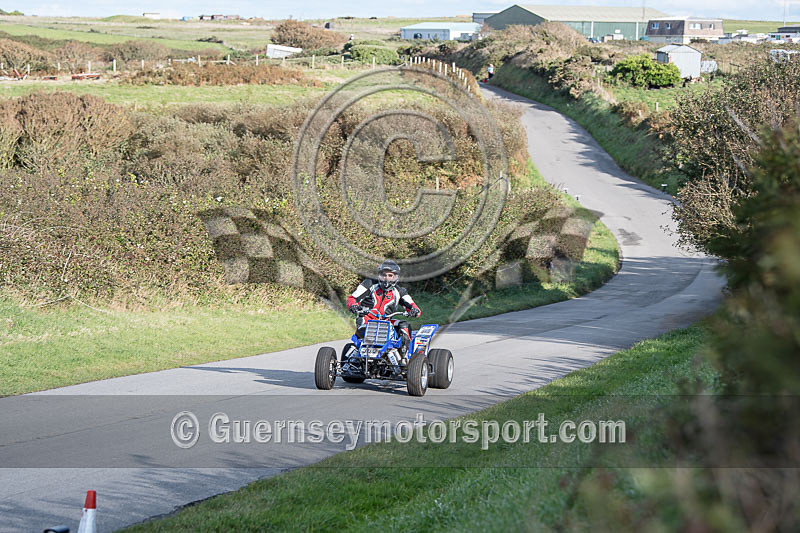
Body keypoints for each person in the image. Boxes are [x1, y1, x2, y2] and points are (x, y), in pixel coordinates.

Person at [346, 260, 421, 363]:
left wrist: (414, 311)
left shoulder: (399, 291)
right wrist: (354, 306)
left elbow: (412, 306)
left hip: (387, 322)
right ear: (379, 275)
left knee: (404, 325)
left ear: (396, 277)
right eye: (384, 275)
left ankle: (403, 358)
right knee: (364, 332)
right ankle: (357, 357)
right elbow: (352, 299)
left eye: (390, 275)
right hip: (367, 320)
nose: (387, 279)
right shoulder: (369, 284)